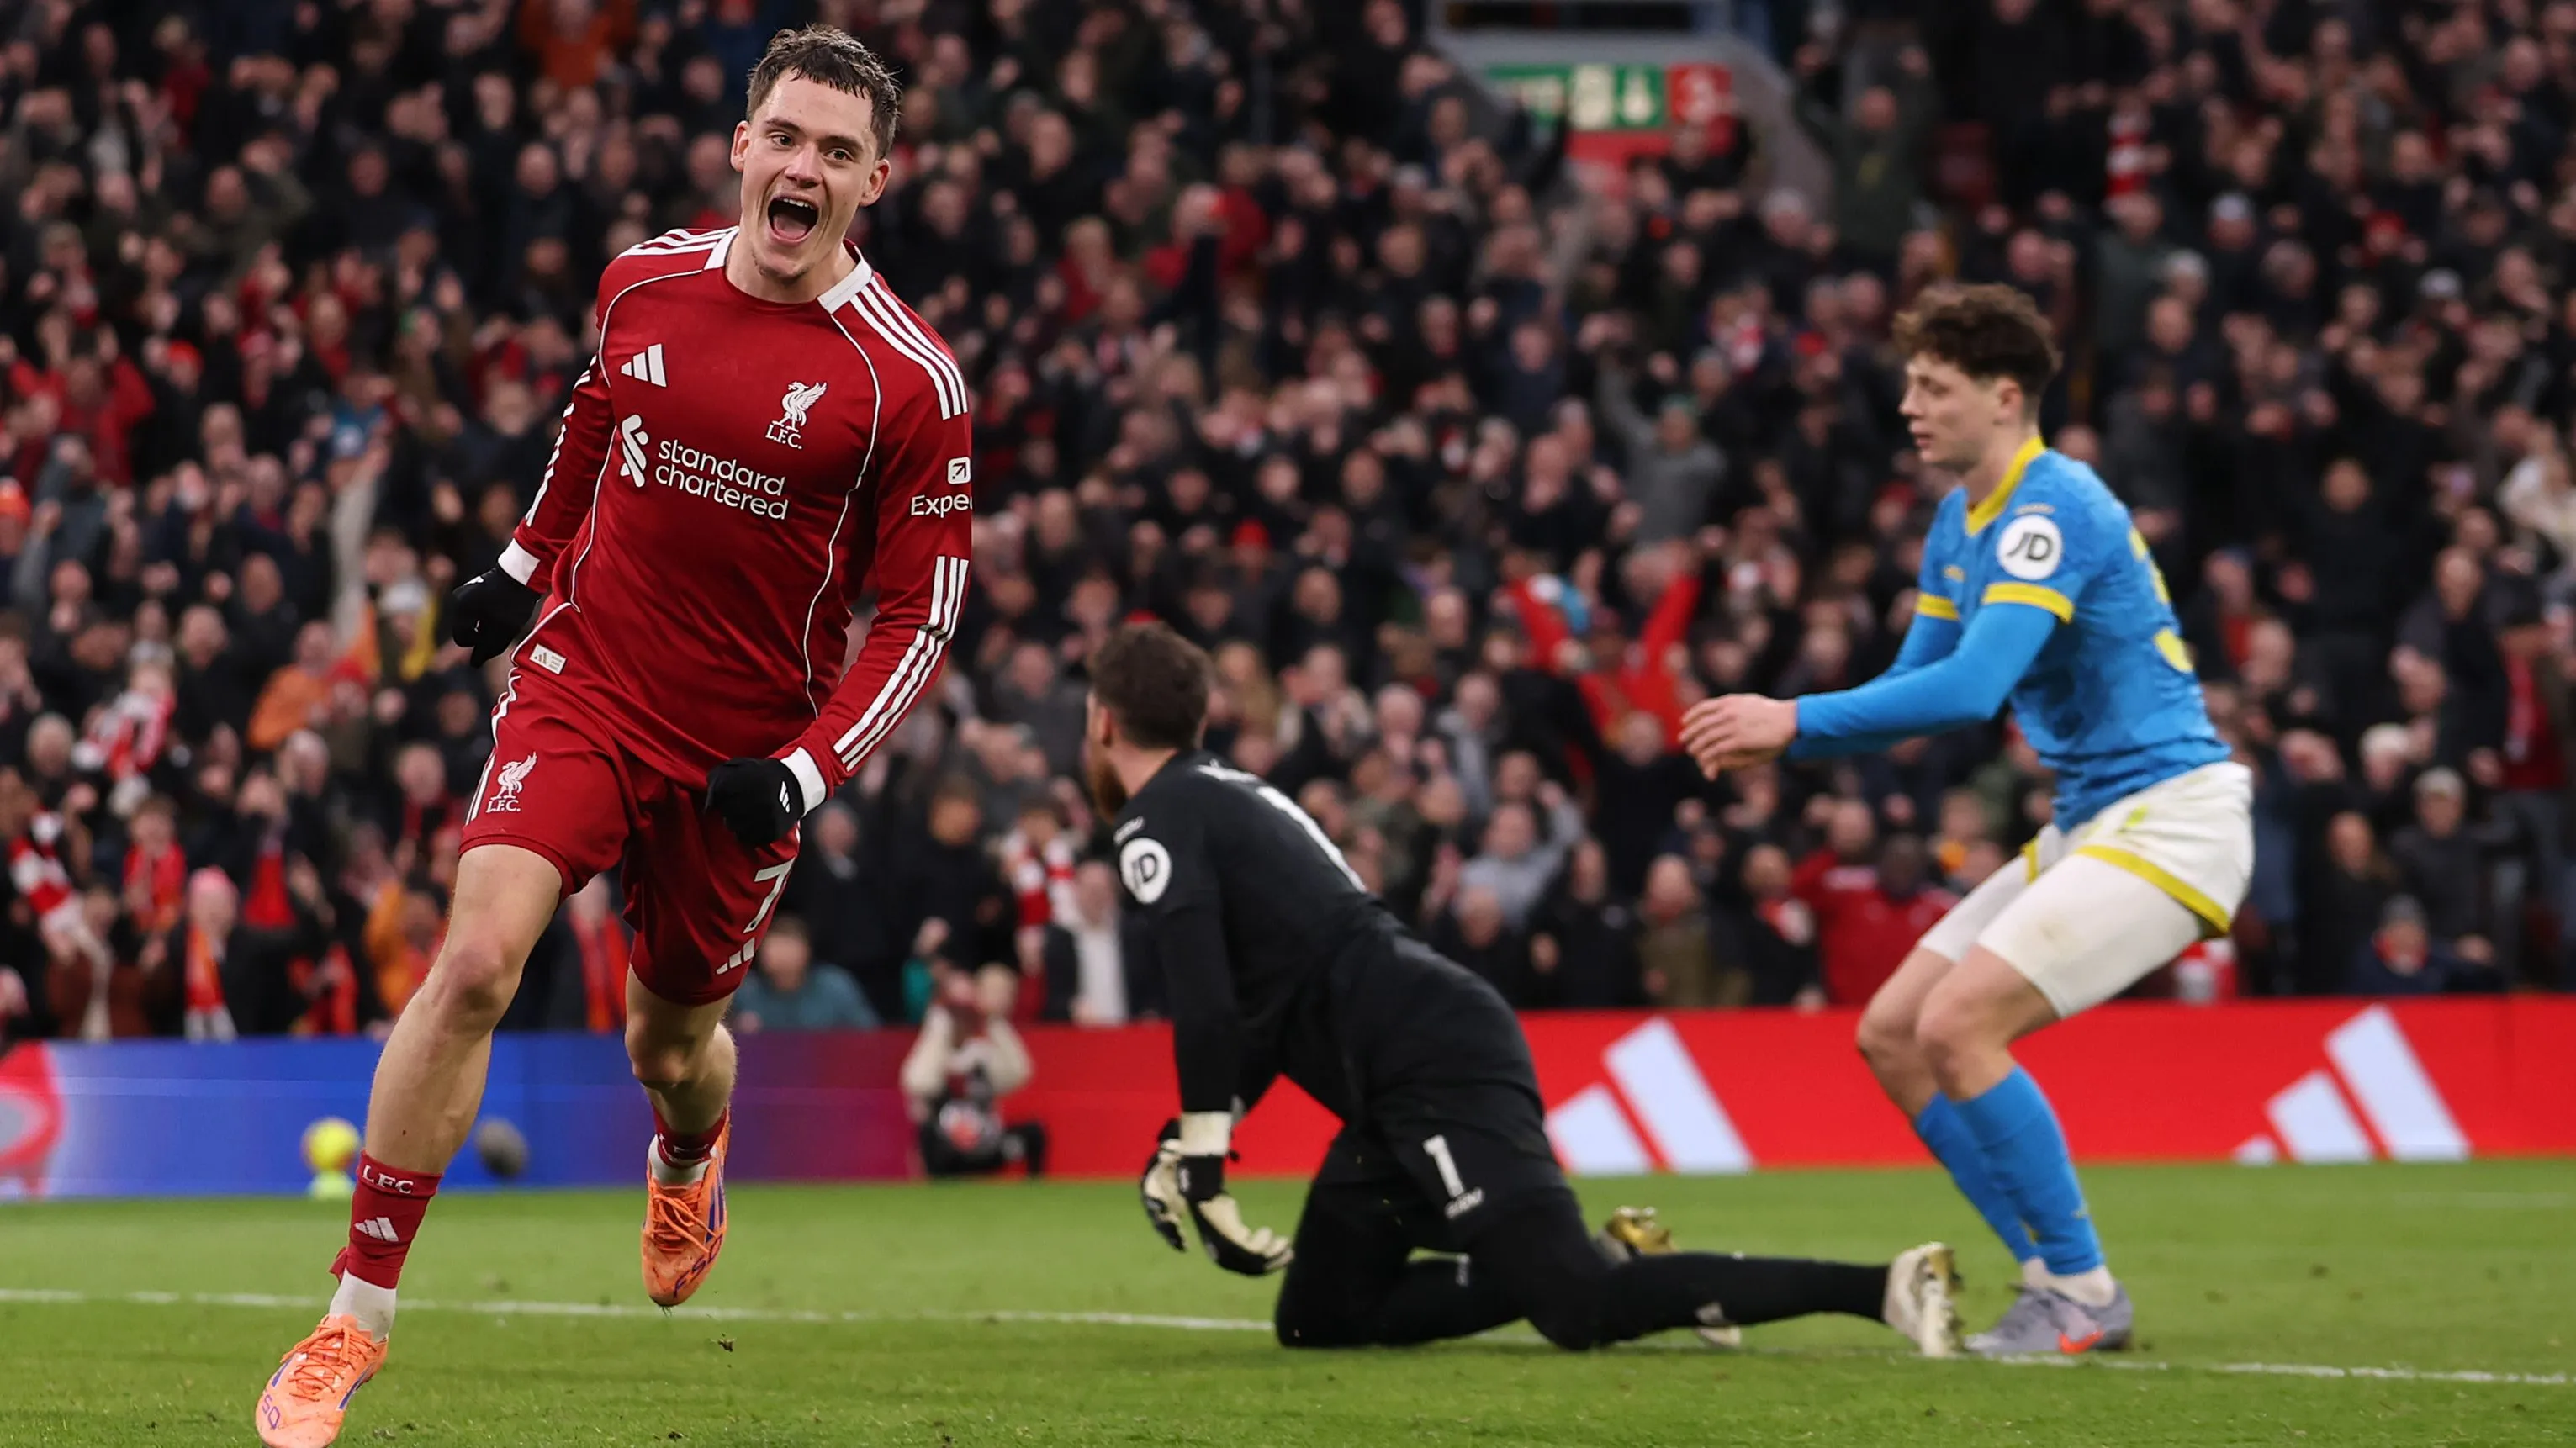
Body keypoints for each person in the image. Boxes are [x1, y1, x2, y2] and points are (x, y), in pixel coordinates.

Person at [256, 29, 971, 1447]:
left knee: (671, 1040)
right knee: (472, 963)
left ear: (875, 179)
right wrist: (524, 570)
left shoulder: (906, 382)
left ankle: (692, 1150)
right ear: (739, 146)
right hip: (589, 679)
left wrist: (808, 767)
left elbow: (922, 616)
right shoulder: (643, 279)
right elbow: (598, 418)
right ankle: (352, 1317)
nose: (803, 166)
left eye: (836, 150)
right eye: (785, 135)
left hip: (743, 755)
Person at [1087, 622, 1961, 1356]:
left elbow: (1202, 999)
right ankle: (1605, 1259)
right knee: (1321, 1318)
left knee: (1575, 1308)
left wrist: (1203, 1157)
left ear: (1101, 722)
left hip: (1430, 1065)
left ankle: (1882, 1287)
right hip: (1397, 1079)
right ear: (1199, 713)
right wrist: (1197, 1132)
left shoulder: (1157, 818)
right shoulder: (1222, 797)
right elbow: (1263, 1013)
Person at [1681, 283, 2254, 1357]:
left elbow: (1971, 691)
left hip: (2172, 815)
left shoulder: (2051, 509)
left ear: (2003, 397)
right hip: (2094, 819)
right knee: (1894, 1035)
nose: (1909, 404)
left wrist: (1792, 717)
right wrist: (1790, 738)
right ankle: (2053, 1280)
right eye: (1908, 382)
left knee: (1958, 1025)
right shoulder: (1961, 521)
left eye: (1932, 386)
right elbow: (1918, 680)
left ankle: (2083, 1294)